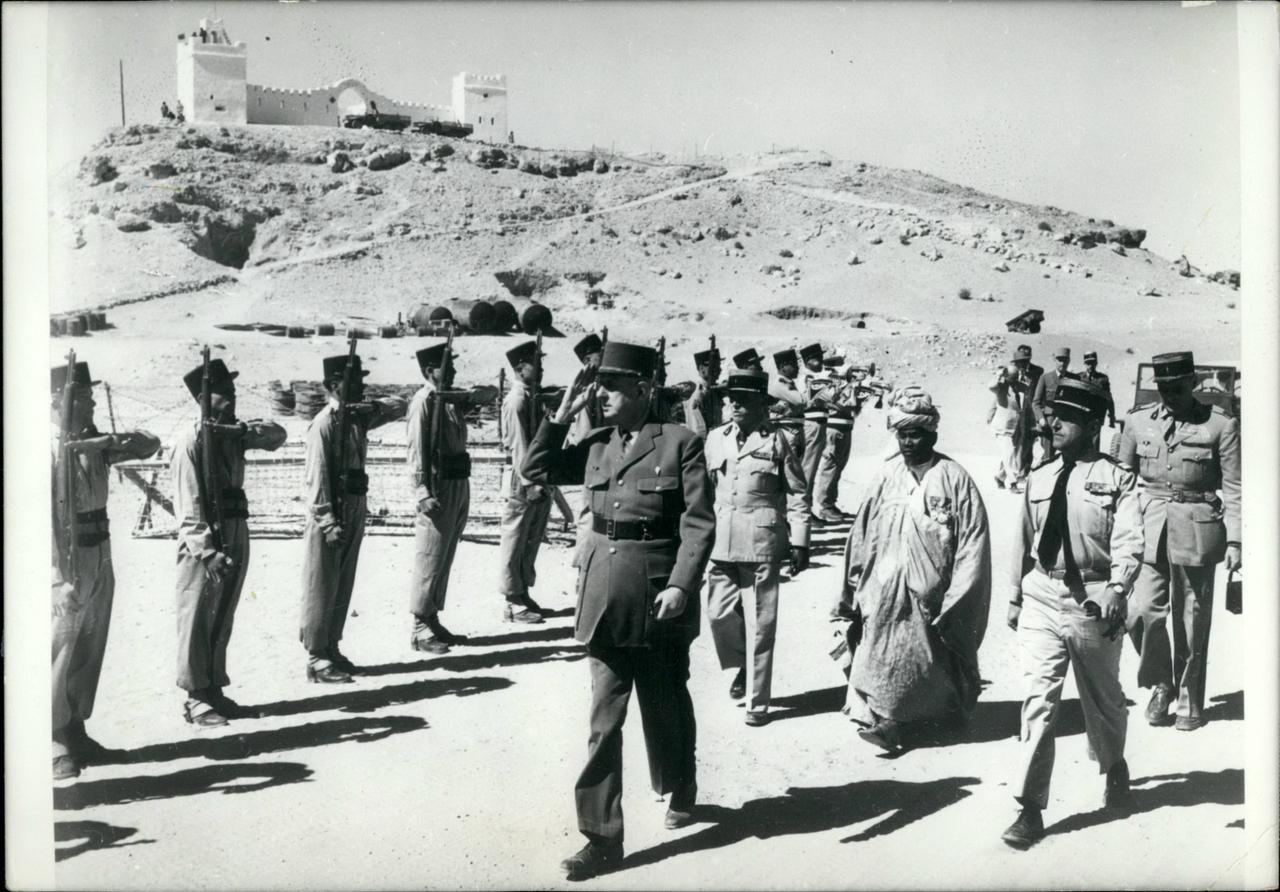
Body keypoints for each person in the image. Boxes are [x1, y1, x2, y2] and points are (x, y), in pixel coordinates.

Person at [522, 340, 714, 881]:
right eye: (596, 386)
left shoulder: (681, 443)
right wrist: (560, 416)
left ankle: (681, 781)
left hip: (658, 598)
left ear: (642, 389)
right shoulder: (596, 443)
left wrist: (681, 585)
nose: (599, 396)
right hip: (604, 596)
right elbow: (536, 468)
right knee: (604, 722)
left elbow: (698, 524)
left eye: (608, 387)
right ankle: (602, 838)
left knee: (666, 701)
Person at [1001, 378, 1143, 850]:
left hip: (1094, 597)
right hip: (1043, 592)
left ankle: (1115, 766)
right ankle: (1029, 808)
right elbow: (1021, 542)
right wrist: (1014, 596)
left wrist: (1119, 589)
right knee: (1038, 701)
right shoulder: (1039, 476)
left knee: (1103, 700)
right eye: (1052, 414)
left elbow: (1129, 539)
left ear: (1093, 423)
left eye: (1065, 417)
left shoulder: (1117, 478)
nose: (1052, 422)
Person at [835, 386, 991, 750]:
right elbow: (861, 534)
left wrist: (958, 597)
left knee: (934, 661)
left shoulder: (954, 479)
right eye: (902, 433)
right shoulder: (886, 477)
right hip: (884, 590)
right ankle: (888, 720)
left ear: (932, 434)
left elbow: (972, 545)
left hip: (932, 597)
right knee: (884, 655)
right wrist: (854, 585)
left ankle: (941, 713)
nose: (908, 441)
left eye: (916, 433)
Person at [1117, 350, 1240, 731]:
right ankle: (1160, 684)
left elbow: (1235, 488)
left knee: (1192, 619)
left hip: (1198, 528)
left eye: (1178, 386)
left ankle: (1190, 699)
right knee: (1140, 611)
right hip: (1149, 526)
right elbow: (1121, 480)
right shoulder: (1137, 422)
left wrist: (1235, 541)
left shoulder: (1220, 425)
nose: (1170, 394)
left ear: (1193, 384)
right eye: (1164, 387)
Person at [51, 360, 160, 779]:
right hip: (69, 558)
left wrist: (107, 442)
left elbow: (149, 444)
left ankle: (76, 728)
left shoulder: (92, 441)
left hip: (101, 552)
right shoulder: (47, 447)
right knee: (59, 649)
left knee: (88, 646)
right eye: (83, 394)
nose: (93, 399)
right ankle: (53, 738)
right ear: (60, 400)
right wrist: (55, 579)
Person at [172, 357, 285, 727]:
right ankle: (195, 697)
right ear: (203, 397)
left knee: (223, 614)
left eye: (233, 390)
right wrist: (208, 552)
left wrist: (240, 433)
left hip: (236, 528)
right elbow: (189, 509)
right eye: (223, 392)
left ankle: (214, 688)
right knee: (198, 617)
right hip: (204, 541)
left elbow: (277, 437)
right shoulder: (190, 440)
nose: (232, 396)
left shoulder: (232, 433)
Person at [705, 368, 810, 726]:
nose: (734, 404)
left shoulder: (778, 441)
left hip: (762, 541)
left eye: (743, 399)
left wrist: (800, 542)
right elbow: (706, 490)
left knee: (762, 623)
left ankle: (757, 702)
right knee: (719, 614)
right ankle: (744, 665)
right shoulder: (715, 438)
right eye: (731, 398)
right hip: (720, 540)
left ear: (761, 404)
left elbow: (797, 493)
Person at [299, 352, 406, 682]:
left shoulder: (357, 418)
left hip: (355, 506)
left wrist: (368, 408)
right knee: (322, 585)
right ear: (334, 385)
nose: (362, 386)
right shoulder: (324, 424)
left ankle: (331, 646)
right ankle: (317, 657)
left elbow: (400, 405)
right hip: (330, 514)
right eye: (354, 382)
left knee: (342, 582)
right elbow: (316, 480)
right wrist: (328, 521)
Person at [406, 342, 473, 655]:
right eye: (447, 366)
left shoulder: (448, 400)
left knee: (444, 556)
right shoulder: (424, 401)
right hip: (438, 486)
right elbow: (416, 450)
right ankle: (420, 625)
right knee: (430, 556)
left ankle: (432, 617)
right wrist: (422, 492)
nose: (454, 371)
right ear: (429, 371)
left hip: (458, 482)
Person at [497, 340, 552, 623]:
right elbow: (519, 446)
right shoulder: (517, 400)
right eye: (536, 362)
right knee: (516, 539)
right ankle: (511, 598)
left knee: (531, 538)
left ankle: (522, 591)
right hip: (523, 481)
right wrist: (530, 482)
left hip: (534, 479)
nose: (541, 367)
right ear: (520, 367)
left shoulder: (531, 397)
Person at [567, 333, 605, 568]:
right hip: (594, 465)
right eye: (600, 353)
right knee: (590, 520)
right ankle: (582, 570)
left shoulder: (601, 388)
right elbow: (584, 436)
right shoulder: (587, 393)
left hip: (604, 463)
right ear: (588, 360)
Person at [989, 348, 1036, 493]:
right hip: (1002, 427)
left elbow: (1027, 403)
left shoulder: (1022, 387)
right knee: (1009, 453)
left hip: (1017, 426)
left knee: (1011, 454)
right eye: (1011, 379)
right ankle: (1013, 483)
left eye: (1015, 379)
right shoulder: (1001, 387)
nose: (1014, 382)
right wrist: (999, 375)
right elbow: (991, 386)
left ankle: (1000, 477)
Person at [796, 343, 831, 514]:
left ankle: (806, 508)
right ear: (809, 360)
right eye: (818, 358)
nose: (822, 361)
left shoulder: (814, 378)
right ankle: (803, 510)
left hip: (819, 424)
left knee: (811, 468)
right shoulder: (808, 379)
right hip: (812, 424)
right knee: (807, 470)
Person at [1031, 347, 1078, 463]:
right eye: (1059, 360)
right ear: (1055, 360)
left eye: (1065, 360)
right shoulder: (1045, 378)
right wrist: (1041, 419)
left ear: (1069, 361)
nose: (1062, 363)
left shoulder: (1075, 379)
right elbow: (1035, 403)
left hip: (1067, 421)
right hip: (1049, 422)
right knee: (1048, 455)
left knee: (1069, 455)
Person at [768, 348, 807, 477]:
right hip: (787, 432)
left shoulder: (789, 383)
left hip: (795, 430)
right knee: (792, 475)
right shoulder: (780, 384)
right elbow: (801, 401)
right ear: (782, 366)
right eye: (793, 365)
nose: (797, 368)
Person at [683, 346, 723, 438]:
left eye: (719, 366)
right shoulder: (698, 394)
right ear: (702, 369)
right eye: (715, 366)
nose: (720, 370)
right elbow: (698, 432)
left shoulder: (713, 390)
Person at [1077, 351, 1116, 428]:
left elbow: (1108, 398)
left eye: (1092, 363)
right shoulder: (1078, 377)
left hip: (1097, 417)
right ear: (1084, 364)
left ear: (1096, 363)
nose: (1090, 366)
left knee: (1094, 439)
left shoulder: (1103, 379)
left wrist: (1112, 416)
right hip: (1081, 416)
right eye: (1088, 363)